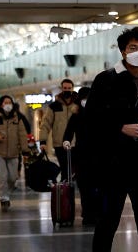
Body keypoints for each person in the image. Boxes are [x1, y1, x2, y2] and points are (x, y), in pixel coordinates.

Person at [85, 26, 138, 252]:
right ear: (123, 51)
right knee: (107, 222)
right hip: (113, 165)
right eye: (133, 47)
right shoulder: (105, 80)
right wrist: (121, 128)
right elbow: (91, 121)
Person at [0, 95, 28, 212]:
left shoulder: (17, 119)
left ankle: (5, 192)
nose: (8, 105)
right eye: (5, 102)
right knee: (2, 177)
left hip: (14, 153)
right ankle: (4, 199)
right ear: (1, 105)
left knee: (13, 178)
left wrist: (25, 151)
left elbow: (23, 136)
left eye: (10, 102)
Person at [62, 87, 99, 226]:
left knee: (96, 186)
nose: (86, 101)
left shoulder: (99, 113)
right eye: (84, 98)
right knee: (84, 186)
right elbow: (68, 131)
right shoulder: (76, 115)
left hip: (97, 155)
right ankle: (87, 214)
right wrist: (66, 140)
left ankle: (95, 213)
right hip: (82, 155)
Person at [38, 78, 78, 182]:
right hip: (59, 144)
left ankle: (71, 187)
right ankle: (65, 191)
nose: (67, 90)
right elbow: (45, 124)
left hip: (76, 143)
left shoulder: (77, 105)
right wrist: (42, 141)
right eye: (65, 88)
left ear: (72, 89)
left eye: (69, 88)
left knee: (75, 169)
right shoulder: (54, 106)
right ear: (61, 88)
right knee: (65, 169)